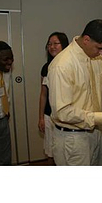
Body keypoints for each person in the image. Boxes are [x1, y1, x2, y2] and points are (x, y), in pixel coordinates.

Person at [47, 19, 102, 166]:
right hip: (72, 139)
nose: (101, 53)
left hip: (94, 132)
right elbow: (62, 112)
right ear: (86, 40)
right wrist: (100, 118)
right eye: (99, 48)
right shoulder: (62, 65)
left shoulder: (94, 55)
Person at [38, 32, 69, 165]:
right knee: (50, 150)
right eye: (49, 44)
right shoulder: (46, 68)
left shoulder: (70, 66)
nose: (52, 47)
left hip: (66, 116)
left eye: (56, 43)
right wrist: (40, 118)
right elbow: (43, 94)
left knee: (64, 150)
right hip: (49, 115)